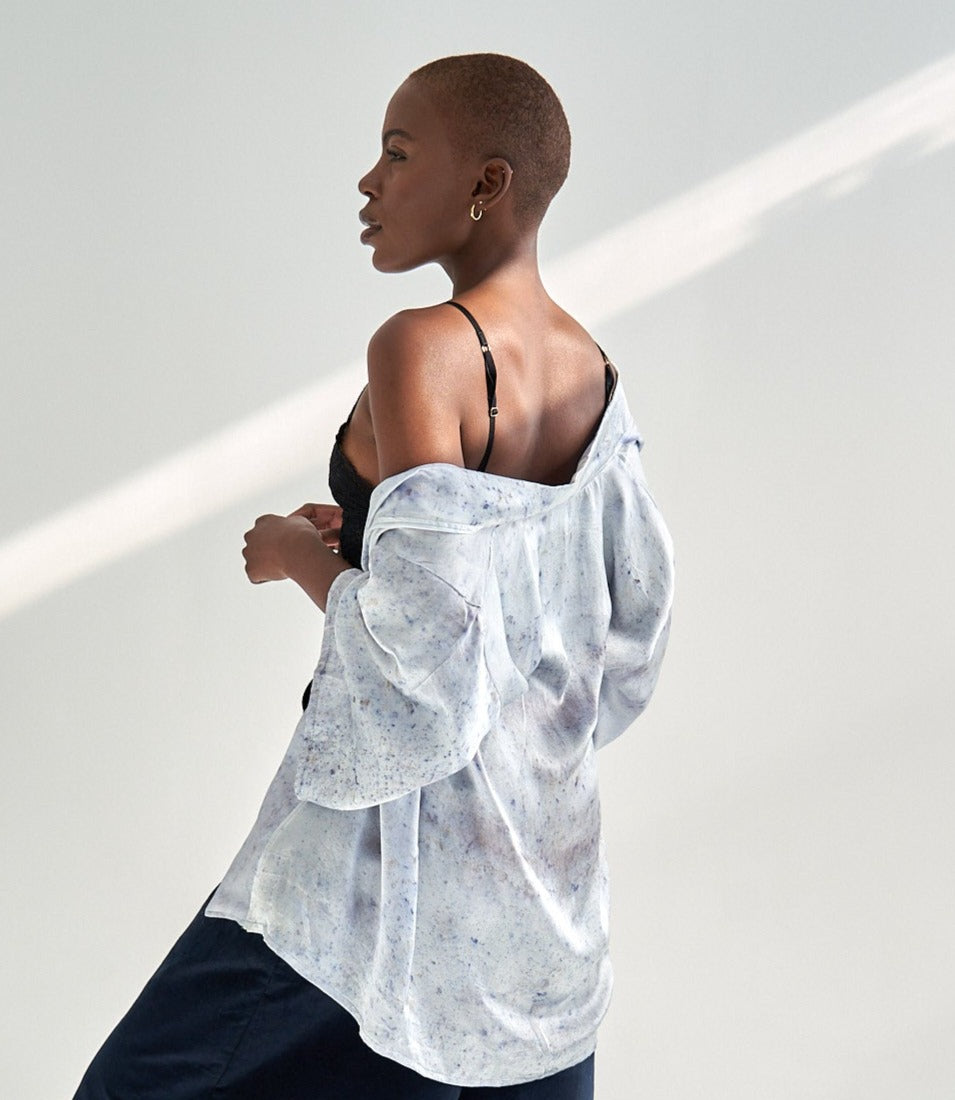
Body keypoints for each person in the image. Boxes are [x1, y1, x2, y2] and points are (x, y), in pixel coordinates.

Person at [74, 53, 674, 1099]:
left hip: (380, 874)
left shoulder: (420, 348)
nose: (368, 182)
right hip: (539, 880)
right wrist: (370, 549)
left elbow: (427, 663)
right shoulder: (593, 370)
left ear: (486, 182)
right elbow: (623, 630)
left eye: (397, 154)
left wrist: (300, 558)